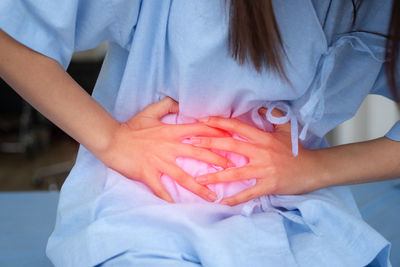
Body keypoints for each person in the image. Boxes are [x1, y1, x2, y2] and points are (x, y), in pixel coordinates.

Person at [0, 0, 399, 266]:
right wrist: (112, 140)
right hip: (150, 216)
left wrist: (319, 168)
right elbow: (10, 30)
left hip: (302, 221)